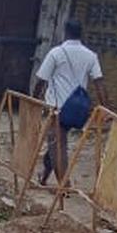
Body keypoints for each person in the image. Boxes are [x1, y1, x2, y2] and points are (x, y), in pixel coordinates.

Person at [34, 21, 106, 185]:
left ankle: (64, 185)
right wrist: (106, 109)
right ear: (81, 33)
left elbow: (41, 81)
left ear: (65, 32)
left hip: (57, 109)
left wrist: (34, 101)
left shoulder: (56, 53)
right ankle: (44, 177)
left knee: (57, 146)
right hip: (78, 110)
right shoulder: (90, 55)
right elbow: (99, 83)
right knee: (55, 143)